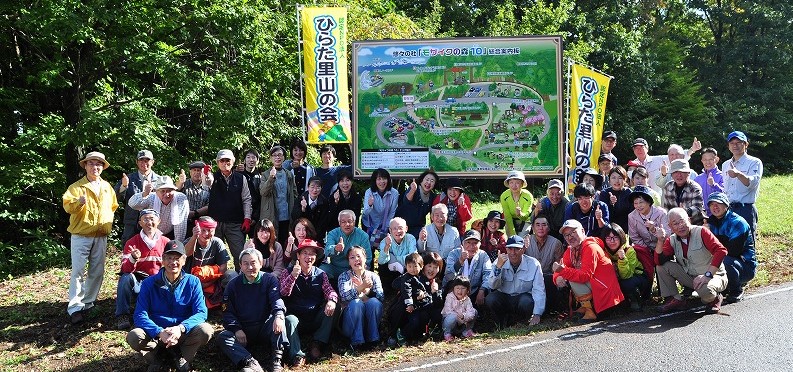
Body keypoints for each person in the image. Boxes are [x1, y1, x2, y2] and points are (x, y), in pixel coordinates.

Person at [127, 241, 214, 372]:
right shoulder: (149, 283)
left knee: (205, 330)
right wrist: (159, 332)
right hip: (157, 335)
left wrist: (181, 328)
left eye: (177, 258)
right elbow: (140, 314)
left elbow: (201, 312)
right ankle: (156, 358)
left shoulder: (193, 282)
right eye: (169, 258)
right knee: (134, 336)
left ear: (184, 260)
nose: (173, 262)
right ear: (162, 260)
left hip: (182, 335)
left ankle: (181, 356)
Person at [217, 248, 298, 372]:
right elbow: (227, 311)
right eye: (246, 263)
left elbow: (276, 300)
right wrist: (236, 329)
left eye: (253, 262)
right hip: (243, 330)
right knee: (223, 337)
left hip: (265, 326)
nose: (250, 267)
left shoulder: (269, 280)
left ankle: (277, 360)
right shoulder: (232, 285)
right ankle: (249, 361)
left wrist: (279, 315)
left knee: (279, 320)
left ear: (260, 263)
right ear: (240, 266)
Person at [62, 151, 119, 324]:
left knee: (97, 271)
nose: (96, 167)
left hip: (101, 235)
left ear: (103, 167)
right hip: (81, 235)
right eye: (92, 164)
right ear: (85, 166)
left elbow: (113, 206)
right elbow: (67, 207)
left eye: (99, 164)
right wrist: (79, 202)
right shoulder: (76, 187)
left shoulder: (107, 187)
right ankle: (75, 307)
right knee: (78, 271)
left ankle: (88, 303)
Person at [655, 208, 728, 314]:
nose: (680, 226)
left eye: (682, 221)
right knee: (662, 267)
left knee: (705, 291)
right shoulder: (672, 240)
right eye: (675, 224)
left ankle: (715, 298)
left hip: (713, 276)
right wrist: (660, 240)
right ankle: (676, 299)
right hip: (692, 278)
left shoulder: (701, 231)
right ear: (670, 227)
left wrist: (707, 275)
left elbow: (721, 251)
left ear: (689, 220)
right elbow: (658, 261)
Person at [552, 220, 624, 321]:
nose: (570, 237)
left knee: (572, 278)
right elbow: (561, 266)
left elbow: (585, 275)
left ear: (582, 231)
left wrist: (562, 272)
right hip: (595, 287)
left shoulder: (591, 247)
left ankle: (591, 311)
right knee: (569, 275)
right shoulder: (571, 249)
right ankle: (586, 308)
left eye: (573, 232)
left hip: (606, 295)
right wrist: (557, 276)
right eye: (566, 235)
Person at [279, 239, 338, 361]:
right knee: (289, 319)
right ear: (298, 256)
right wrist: (293, 276)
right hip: (295, 319)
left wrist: (331, 301)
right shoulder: (287, 272)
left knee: (335, 306)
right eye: (305, 253)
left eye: (312, 254)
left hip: (314, 316)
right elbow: (283, 292)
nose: (308, 257)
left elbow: (330, 291)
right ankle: (297, 354)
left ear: (316, 257)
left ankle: (318, 342)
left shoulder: (321, 274)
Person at [115, 209, 169, 330]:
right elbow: (125, 269)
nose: (149, 222)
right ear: (140, 223)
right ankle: (122, 315)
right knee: (125, 278)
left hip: (157, 282)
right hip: (138, 283)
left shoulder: (166, 242)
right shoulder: (132, 242)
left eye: (152, 219)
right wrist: (133, 258)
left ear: (158, 221)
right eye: (145, 219)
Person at [205, 149, 253, 270]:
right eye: (222, 160)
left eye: (228, 160)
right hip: (215, 224)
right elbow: (207, 183)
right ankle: (215, 284)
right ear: (217, 162)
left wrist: (247, 218)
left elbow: (246, 199)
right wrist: (206, 175)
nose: (225, 162)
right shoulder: (213, 177)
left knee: (240, 255)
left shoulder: (241, 178)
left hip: (235, 223)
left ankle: (242, 280)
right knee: (213, 256)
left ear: (233, 161)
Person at [706, 192, 757, 303]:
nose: (715, 207)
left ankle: (736, 290)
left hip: (744, 267)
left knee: (724, 259)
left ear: (726, 205)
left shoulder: (738, 223)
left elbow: (733, 251)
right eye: (712, 204)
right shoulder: (710, 222)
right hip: (724, 262)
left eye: (718, 203)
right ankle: (720, 288)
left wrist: (710, 236)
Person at [486, 235, 545, 327]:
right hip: (504, 296)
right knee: (491, 299)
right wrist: (498, 267)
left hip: (522, 297)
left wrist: (537, 314)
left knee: (527, 302)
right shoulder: (499, 261)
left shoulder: (533, 264)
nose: (513, 253)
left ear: (523, 250)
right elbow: (492, 286)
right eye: (510, 249)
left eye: (517, 249)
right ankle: (500, 324)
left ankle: (522, 322)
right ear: (506, 249)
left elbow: (539, 289)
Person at [338, 246, 384, 351]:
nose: (356, 260)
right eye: (352, 257)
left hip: (369, 321)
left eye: (359, 256)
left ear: (365, 258)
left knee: (374, 303)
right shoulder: (344, 277)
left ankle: (373, 340)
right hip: (349, 323)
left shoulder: (373, 276)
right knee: (356, 303)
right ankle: (357, 342)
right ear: (349, 262)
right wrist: (361, 287)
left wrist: (368, 291)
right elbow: (344, 296)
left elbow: (381, 296)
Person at [183, 216, 235, 310]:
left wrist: (208, 283)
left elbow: (223, 267)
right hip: (190, 281)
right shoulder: (189, 241)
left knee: (232, 275)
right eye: (203, 230)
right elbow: (185, 255)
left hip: (212, 279)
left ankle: (228, 305)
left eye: (210, 230)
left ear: (214, 230)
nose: (206, 234)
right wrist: (195, 237)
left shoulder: (217, 242)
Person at [721, 130, 762, 240]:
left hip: (745, 209)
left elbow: (752, 183)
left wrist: (738, 174)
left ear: (746, 144)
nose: (735, 145)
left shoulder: (754, 162)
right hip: (728, 209)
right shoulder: (725, 164)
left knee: (747, 243)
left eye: (739, 142)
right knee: (730, 242)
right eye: (732, 143)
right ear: (728, 146)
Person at [388, 253, 436, 343]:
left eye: (415, 266)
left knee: (417, 320)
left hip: (418, 307)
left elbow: (428, 294)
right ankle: (393, 335)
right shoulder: (404, 277)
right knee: (398, 314)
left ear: (421, 266)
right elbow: (395, 285)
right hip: (404, 306)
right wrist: (415, 293)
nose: (412, 269)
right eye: (409, 266)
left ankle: (406, 335)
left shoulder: (424, 279)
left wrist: (423, 294)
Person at [601, 223, 650, 311]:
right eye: (608, 238)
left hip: (636, 277)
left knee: (626, 283)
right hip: (617, 278)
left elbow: (626, 275)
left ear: (621, 238)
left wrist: (622, 259)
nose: (612, 241)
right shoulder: (603, 251)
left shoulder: (629, 250)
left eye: (615, 237)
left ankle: (636, 299)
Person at [115, 150, 160, 243]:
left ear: (152, 162)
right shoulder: (128, 179)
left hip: (152, 224)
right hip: (131, 224)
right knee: (129, 252)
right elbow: (116, 198)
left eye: (147, 160)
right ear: (137, 162)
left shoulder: (160, 180)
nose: (144, 163)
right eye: (141, 160)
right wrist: (123, 186)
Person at [627, 185, 670, 282]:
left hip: (662, 246)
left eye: (641, 202)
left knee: (661, 263)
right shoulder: (631, 216)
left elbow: (668, 234)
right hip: (645, 248)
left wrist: (654, 230)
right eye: (636, 203)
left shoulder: (661, 213)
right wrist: (646, 250)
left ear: (649, 202)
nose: (638, 206)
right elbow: (634, 237)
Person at [524, 217, 565, 315]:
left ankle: (550, 311)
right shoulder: (526, 241)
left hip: (547, 277)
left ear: (548, 228)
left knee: (550, 279)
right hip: (529, 278)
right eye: (537, 225)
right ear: (533, 228)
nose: (541, 228)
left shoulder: (556, 243)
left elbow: (559, 265)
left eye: (544, 225)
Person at [129, 176, 190, 241]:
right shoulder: (151, 197)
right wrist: (145, 193)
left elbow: (180, 223)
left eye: (169, 191)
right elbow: (132, 204)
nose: (166, 194)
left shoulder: (180, 198)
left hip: (171, 234)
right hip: (149, 233)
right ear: (156, 191)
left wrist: (177, 244)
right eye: (163, 191)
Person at [632, 137, 701, 194]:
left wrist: (692, 149)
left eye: (641, 147)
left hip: (656, 198)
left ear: (647, 148)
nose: (639, 150)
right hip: (639, 197)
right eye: (636, 148)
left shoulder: (658, 160)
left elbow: (678, 157)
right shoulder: (631, 165)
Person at [259, 145, 297, 246]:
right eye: (274, 155)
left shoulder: (289, 174)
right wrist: (271, 177)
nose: (277, 157)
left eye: (280, 155)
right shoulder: (265, 174)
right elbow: (263, 192)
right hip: (271, 214)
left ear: (284, 157)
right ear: (271, 158)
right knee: (271, 243)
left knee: (286, 243)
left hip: (287, 215)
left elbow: (295, 193)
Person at [444, 230, 493, 307]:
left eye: (475, 243)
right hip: (455, 290)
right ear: (462, 244)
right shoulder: (453, 253)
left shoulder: (483, 255)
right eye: (468, 242)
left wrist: (482, 290)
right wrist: (460, 261)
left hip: (474, 291)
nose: (471, 246)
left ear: (480, 245)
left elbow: (488, 274)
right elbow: (448, 276)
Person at [322, 210, 372, 283]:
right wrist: (335, 249)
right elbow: (327, 251)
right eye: (343, 222)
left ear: (354, 222)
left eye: (350, 221)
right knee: (322, 271)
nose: (347, 224)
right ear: (339, 223)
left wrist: (360, 273)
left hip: (355, 269)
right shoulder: (333, 233)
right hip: (335, 267)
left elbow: (368, 259)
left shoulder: (363, 236)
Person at [395, 169, 439, 240]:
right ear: (421, 180)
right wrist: (412, 190)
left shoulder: (432, 197)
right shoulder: (414, 188)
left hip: (418, 227)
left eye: (432, 181)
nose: (428, 183)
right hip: (402, 225)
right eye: (427, 179)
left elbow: (432, 215)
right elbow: (406, 201)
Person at [378, 217, 418, 293]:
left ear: (406, 229)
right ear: (390, 230)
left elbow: (413, 257)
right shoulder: (385, 241)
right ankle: (387, 289)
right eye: (395, 228)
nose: (398, 231)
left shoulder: (410, 238)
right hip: (392, 271)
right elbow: (381, 261)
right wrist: (387, 247)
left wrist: (394, 259)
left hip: (406, 269)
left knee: (413, 263)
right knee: (383, 265)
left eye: (400, 228)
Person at [362, 168, 399, 249]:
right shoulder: (369, 192)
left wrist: (384, 229)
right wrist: (370, 205)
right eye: (379, 179)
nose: (382, 182)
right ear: (374, 181)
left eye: (384, 178)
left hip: (385, 225)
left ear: (388, 180)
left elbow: (392, 213)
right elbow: (365, 212)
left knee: (385, 249)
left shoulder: (394, 193)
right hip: (369, 225)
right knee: (368, 250)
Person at [440, 276, 477, 341]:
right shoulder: (449, 297)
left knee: (475, 311)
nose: (460, 291)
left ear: (467, 290)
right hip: (451, 324)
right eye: (457, 288)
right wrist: (459, 318)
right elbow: (448, 311)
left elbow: (471, 312)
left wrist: (463, 316)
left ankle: (466, 331)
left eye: (463, 288)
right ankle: (447, 333)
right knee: (452, 317)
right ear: (453, 289)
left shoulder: (467, 299)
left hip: (463, 322)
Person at [237, 149, 263, 238]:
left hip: (255, 216)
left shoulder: (261, 177)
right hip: (240, 215)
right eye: (248, 157)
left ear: (257, 160)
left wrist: (255, 218)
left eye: (253, 157)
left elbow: (261, 199)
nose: (251, 160)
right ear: (244, 160)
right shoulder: (238, 175)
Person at [500, 170, 534, 237]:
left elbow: (526, 216)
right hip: (510, 220)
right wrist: (513, 234)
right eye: (511, 182)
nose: (514, 186)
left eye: (517, 183)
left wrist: (519, 214)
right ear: (508, 184)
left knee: (521, 239)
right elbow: (507, 215)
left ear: (522, 184)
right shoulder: (504, 196)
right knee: (512, 240)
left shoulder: (528, 196)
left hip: (525, 221)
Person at [598, 166, 632, 232]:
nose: (616, 181)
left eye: (620, 178)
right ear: (609, 180)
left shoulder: (629, 193)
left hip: (627, 228)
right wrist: (611, 203)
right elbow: (605, 216)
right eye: (613, 178)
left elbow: (631, 214)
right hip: (609, 228)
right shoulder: (604, 193)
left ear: (625, 179)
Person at [177, 161, 210, 227]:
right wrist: (180, 182)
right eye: (194, 170)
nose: (197, 173)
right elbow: (175, 192)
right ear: (190, 172)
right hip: (183, 221)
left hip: (202, 223)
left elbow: (210, 205)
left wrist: (194, 213)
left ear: (203, 173)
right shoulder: (184, 184)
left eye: (199, 170)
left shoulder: (208, 186)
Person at [694, 147, 725, 215]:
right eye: (705, 160)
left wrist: (713, 185)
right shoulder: (698, 178)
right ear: (702, 160)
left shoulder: (723, 176)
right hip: (701, 215)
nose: (707, 162)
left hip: (718, 214)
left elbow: (725, 194)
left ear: (716, 159)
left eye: (711, 159)